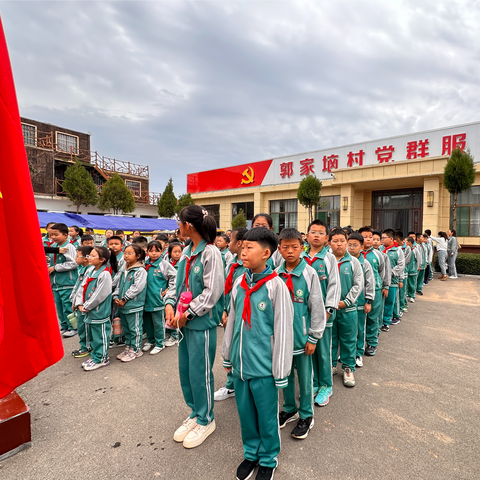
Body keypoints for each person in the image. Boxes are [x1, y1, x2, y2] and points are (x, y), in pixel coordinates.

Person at [222, 227, 293, 480]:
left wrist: (281, 371)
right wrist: (228, 355)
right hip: (241, 367)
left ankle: (268, 457)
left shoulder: (276, 287)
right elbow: (231, 321)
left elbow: (283, 332)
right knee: (246, 414)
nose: (243, 251)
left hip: (264, 369)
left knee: (266, 415)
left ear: (266, 253)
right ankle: (251, 452)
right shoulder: (241, 283)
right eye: (242, 246)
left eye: (249, 247)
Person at [166, 205, 224, 449]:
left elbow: (213, 293)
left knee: (201, 374)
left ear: (188, 225)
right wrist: (170, 304)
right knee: (187, 372)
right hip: (183, 323)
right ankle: (195, 412)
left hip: (199, 323)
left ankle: (206, 418)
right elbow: (176, 285)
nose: (178, 227)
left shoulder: (211, 253)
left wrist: (187, 314)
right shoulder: (187, 252)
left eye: (180, 222)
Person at [276, 228, 325, 440]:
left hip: (303, 339)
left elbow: (316, 307)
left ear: (302, 247)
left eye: (294, 247)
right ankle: (289, 409)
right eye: (285, 247)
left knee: (305, 380)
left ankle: (306, 414)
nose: (289, 251)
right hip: (281, 341)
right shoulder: (275, 274)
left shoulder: (309, 273)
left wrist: (313, 336)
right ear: (278, 248)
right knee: (284, 377)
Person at [301, 219, 340, 408]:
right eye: (313, 232)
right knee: (308, 350)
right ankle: (313, 383)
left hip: (324, 315)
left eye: (320, 232)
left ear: (326, 238)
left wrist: (328, 310)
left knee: (323, 352)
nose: (316, 235)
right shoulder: (300, 257)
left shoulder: (329, 258)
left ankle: (326, 385)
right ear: (306, 236)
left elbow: (334, 286)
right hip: (303, 315)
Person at [214, 227, 248, 402]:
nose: (228, 241)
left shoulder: (249, 266)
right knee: (231, 348)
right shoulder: (233, 262)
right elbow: (227, 291)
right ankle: (232, 384)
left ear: (239, 243)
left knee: (239, 350)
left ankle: (236, 384)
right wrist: (225, 310)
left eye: (230, 239)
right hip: (230, 314)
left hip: (243, 317)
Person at [329, 228, 364, 388]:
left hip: (348, 310)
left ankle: (348, 367)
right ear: (329, 243)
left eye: (342, 241)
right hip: (329, 310)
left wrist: (347, 301)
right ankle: (329, 366)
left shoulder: (353, 262)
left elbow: (358, 284)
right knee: (330, 339)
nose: (339, 244)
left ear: (346, 242)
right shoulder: (326, 261)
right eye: (335, 241)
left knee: (349, 340)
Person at [76, 246, 117, 371]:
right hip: (89, 310)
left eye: (93, 256)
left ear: (102, 260)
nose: (89, 258)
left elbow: (99, 295)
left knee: (100, 335)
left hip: (99, 311)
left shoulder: (105, 274)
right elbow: (82, 287)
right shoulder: (90, 270)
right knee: (93, 335)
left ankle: (102, 358)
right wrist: (79, 303)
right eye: (89, 255)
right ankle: (95, 355)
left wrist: (86, 306)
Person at [113, 244, 147, 362]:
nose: (126, 256)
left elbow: (137, 287)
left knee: (135, 328)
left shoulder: (140, 270)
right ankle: (129, 347)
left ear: (138, 256)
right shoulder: (124, 269)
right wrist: (116, 297)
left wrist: (124, 299)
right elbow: (118, 284)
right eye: (125, 253)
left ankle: (136, 349)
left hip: (134, 305)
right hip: (122, 305)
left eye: (129, 253)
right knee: (126, 328)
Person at [142, 241, 177, 355]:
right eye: (151, 251)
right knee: (148, 323)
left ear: (162, 251)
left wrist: (168, 289)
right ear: (147, 251)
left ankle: (159, 343)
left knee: (158, 323)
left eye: (157, 251)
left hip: (158, 300)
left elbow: (175, 277)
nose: (154, 253)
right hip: (145, 300)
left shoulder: (164, 264)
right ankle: (150, 340)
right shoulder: (144, 264)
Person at [359, 227, 389, 357]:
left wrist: (385, 286)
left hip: (376, 290)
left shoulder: (379, 255)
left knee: (373, 317)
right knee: (358, 320)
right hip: (358, 291)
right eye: (365, 237)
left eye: (370, 237)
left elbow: (384, 271)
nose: (368, 239)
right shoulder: (354, 254)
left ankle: (371, 343)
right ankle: (356, 345)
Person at [347, 232, 375, 368]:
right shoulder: (342, 261)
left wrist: (368, 301)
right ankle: (348, 354)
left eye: (355, 245)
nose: (351, 248)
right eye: (349, 245)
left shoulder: (365, 264)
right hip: (345, 304)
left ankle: (358, 353)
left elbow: (370, 283)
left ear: (361, 246)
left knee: (359, 329)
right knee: (347, 331)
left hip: (360, 303)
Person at [47, 223, 79, 337]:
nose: (54, 237)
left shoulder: (69, 247)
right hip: (55, 283)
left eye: (56, 234)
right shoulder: (54, 246)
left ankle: (73, 327)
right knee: (59, 308)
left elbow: (74, 263)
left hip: (67, 283)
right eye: (51, 235)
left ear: (65, 235)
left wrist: (55, 267)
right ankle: (64, 326)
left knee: (67, 306)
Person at [70, 246, 94, 358]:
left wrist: (79, 303)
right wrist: (73, 300)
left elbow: (83, 289)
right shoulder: (82, 269)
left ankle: (86, 347)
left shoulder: (89, 270)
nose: (75, 258)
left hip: (83, 304)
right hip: (78, 304)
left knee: (84, 327)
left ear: (85, 258)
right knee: (80, 326)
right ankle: (83, 346)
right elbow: (76, 287)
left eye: (77, 256)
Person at [380, 229, 405, 330]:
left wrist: (390, 274)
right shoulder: (379, 249)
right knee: (380, 303)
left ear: (391, 238)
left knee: (390, 302)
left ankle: (386, 322)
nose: (382, 240)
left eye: (384, 238)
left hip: (392, 281)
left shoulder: (398, 250)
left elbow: (401, 265)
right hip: (380, 281)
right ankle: (379, 321)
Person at [405, 236, 421, 303]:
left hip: (413, 269)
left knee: (412, 284)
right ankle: (407, 294)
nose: (404, 242)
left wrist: (418, 266)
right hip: (406, 269)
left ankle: (412, 296)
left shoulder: (415, 250)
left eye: (405, 241)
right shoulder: (405, 249)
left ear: (409, 242)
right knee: (406, 284)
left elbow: (418, 259)